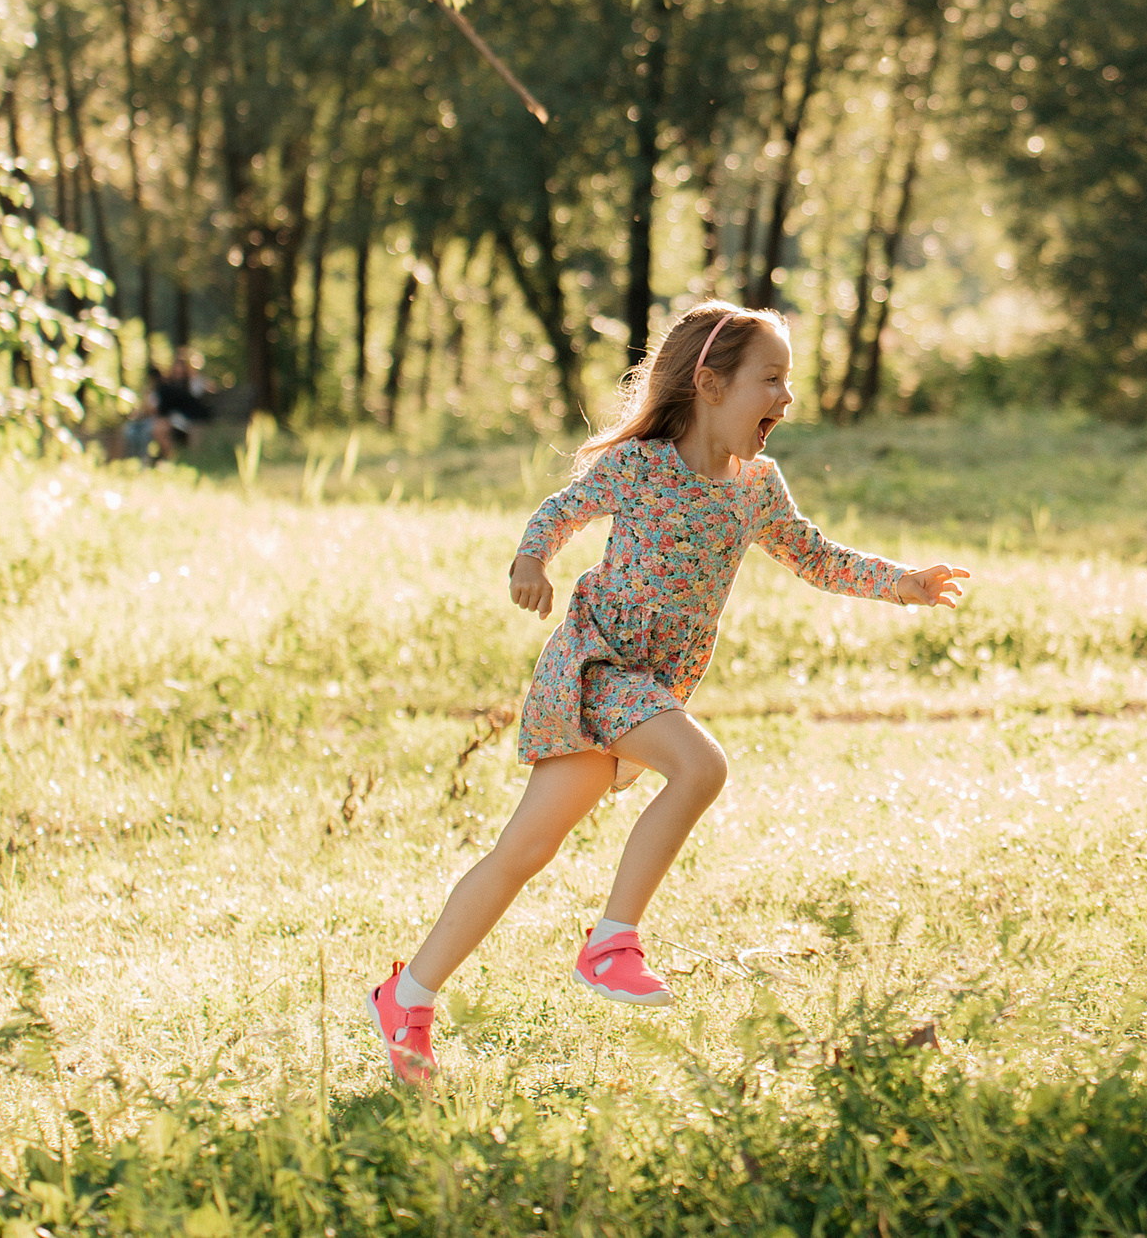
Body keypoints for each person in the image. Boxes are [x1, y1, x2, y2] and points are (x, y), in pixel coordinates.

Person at [366, 300, 971, 1086]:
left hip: (650, 683)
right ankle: (612, 941)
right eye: (773, 379)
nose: (787, 399)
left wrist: (907, 584)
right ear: (711, 384)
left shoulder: (757, 486)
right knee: (698, 768)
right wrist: (530, 562)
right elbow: (560, 510)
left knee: (525, 849)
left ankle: (404, 997)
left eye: (790, 380)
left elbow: (816, 556)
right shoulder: (643, 464)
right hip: (597, 665)